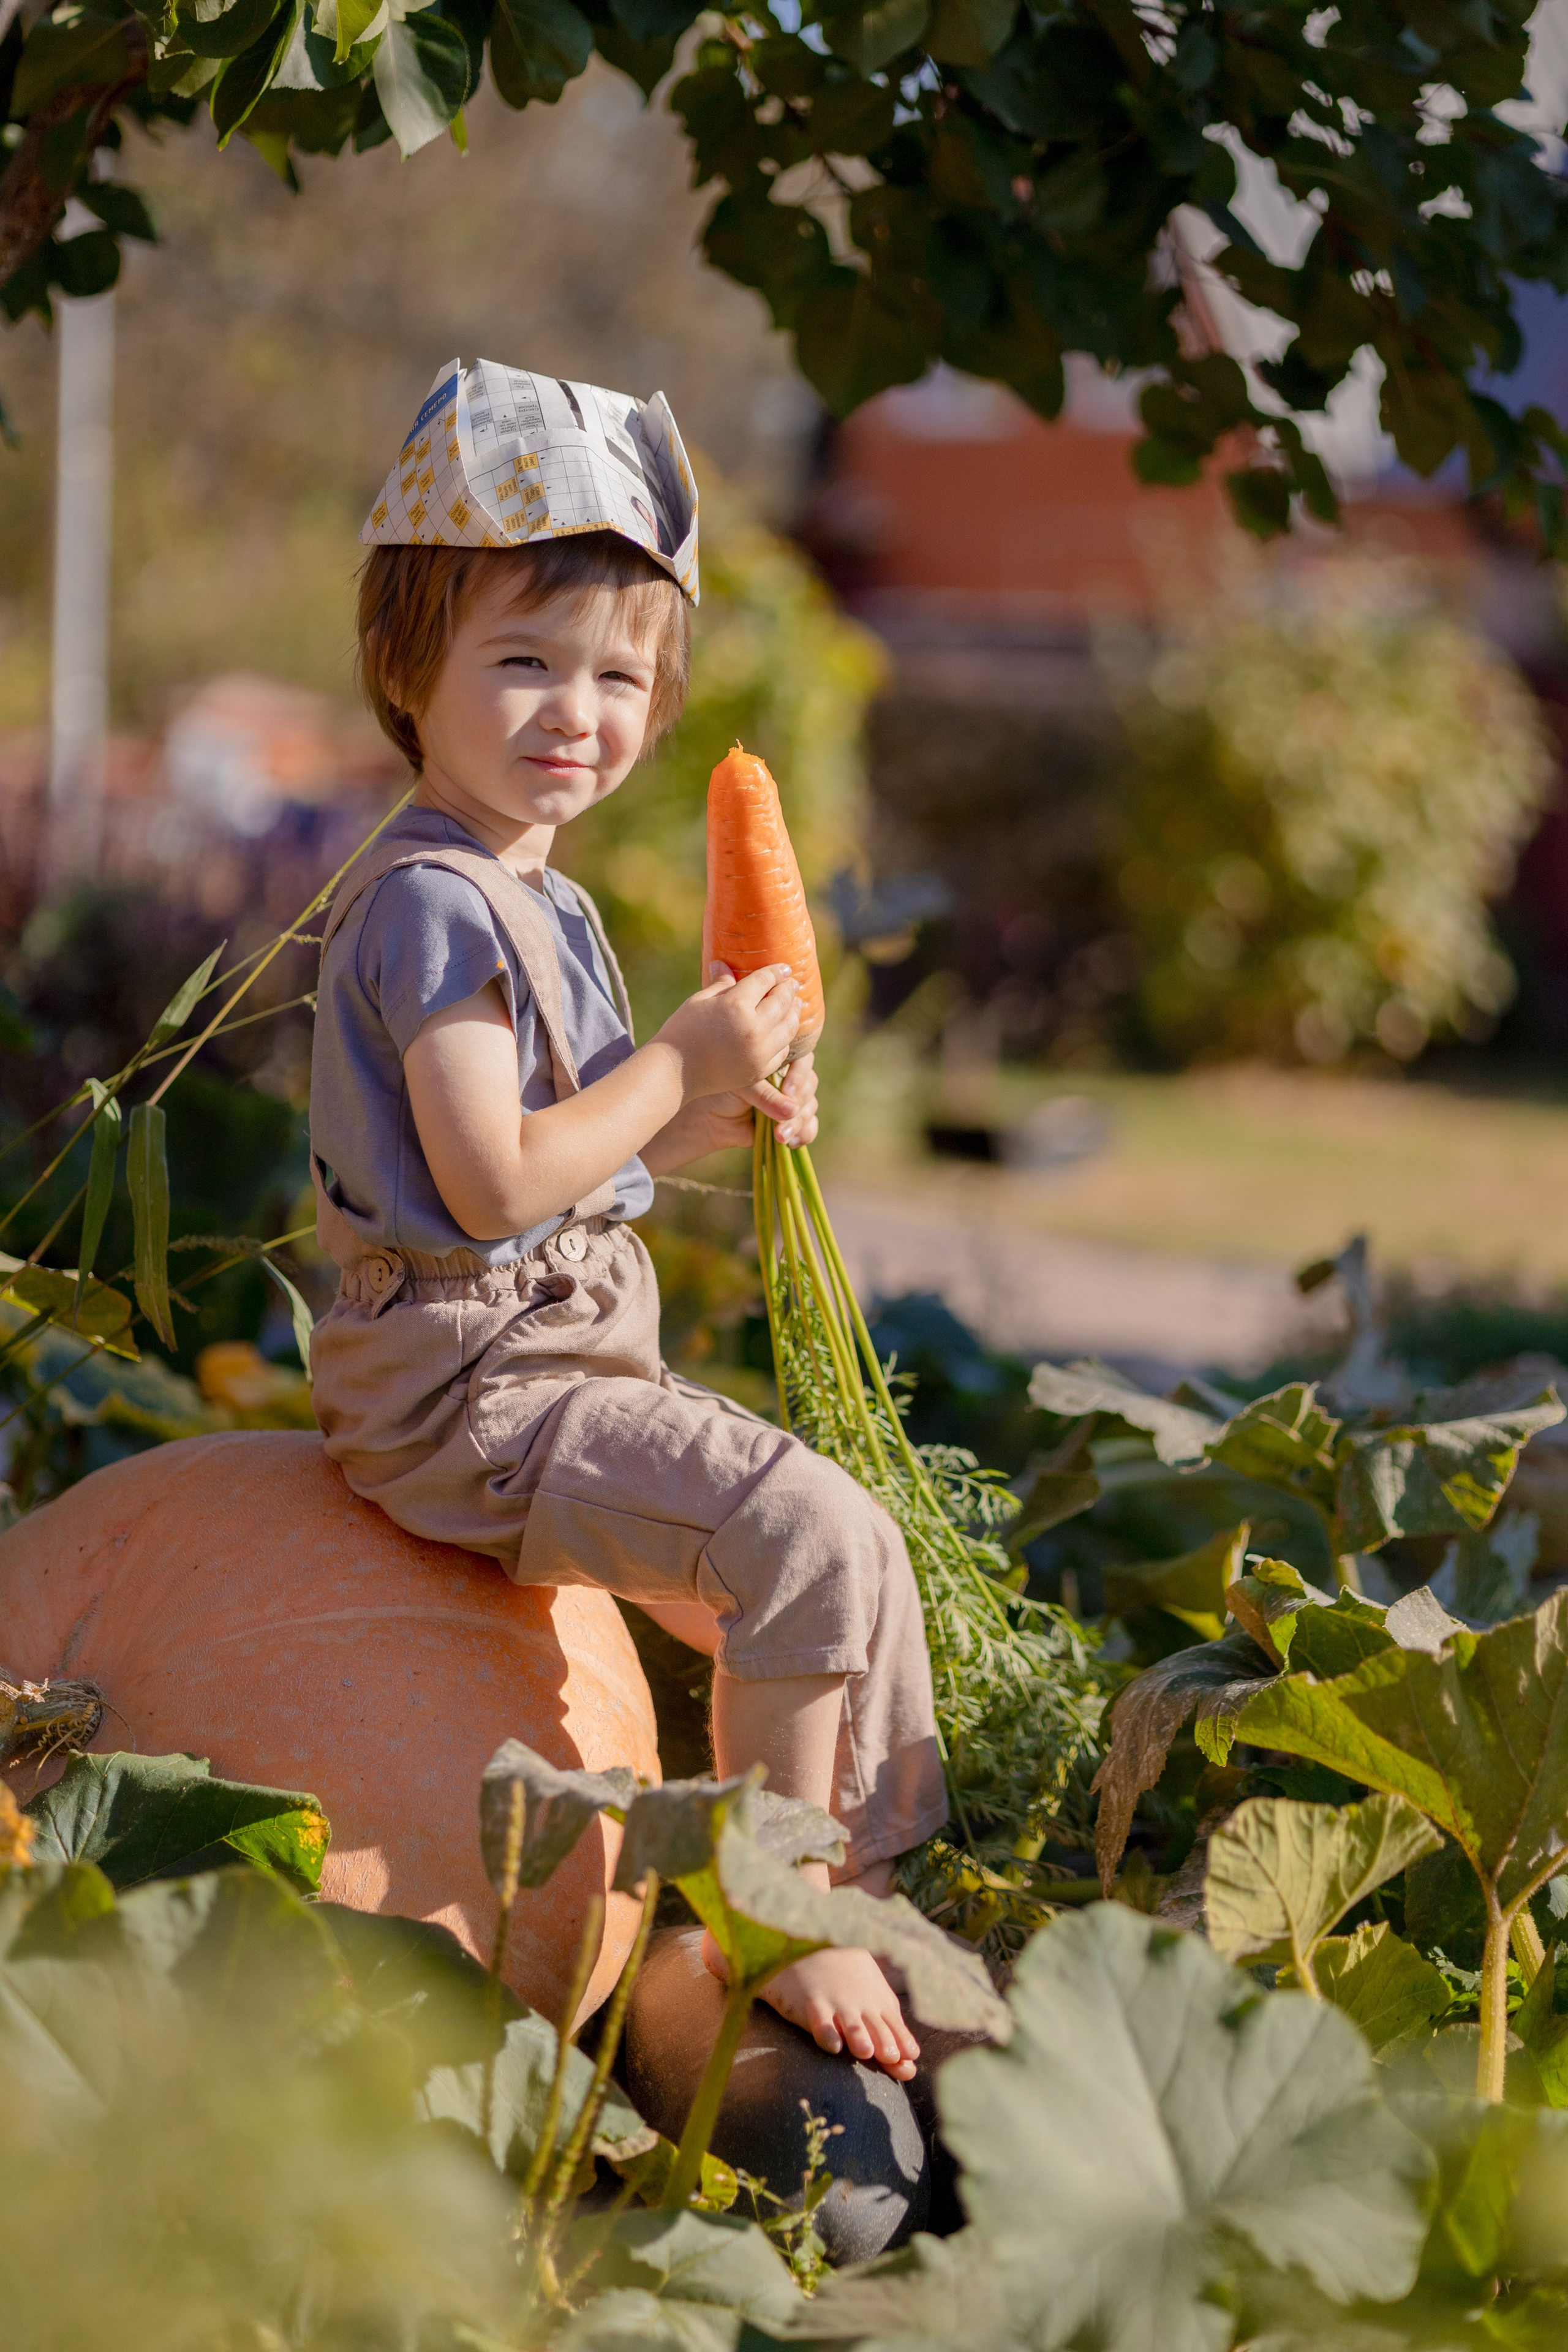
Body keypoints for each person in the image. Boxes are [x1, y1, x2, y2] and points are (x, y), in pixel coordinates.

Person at [309, 360, 946, 2081]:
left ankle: (858, 1881)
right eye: (522, 661)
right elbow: (493, 1182)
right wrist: (680, 1057)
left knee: (859, 1551)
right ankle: (769, 1910)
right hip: (474, 1404)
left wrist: (736, 1100)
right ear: (407, 666)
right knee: (799, 1538)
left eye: (614, 675)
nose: (570, 711)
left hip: (563, 1375)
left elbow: (594, 1148)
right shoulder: (434, 907)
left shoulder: (545, 893)